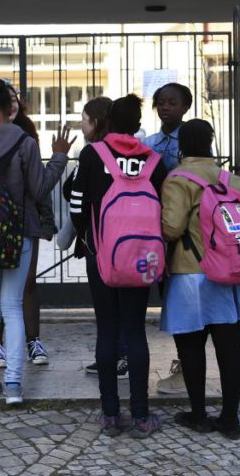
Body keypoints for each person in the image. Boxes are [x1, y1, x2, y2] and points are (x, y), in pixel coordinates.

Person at [0, 79, 74, 404]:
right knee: (12, 307)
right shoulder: (25, 142)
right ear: (10, 110)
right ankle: (15, 386)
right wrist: (59, 157)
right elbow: (39, 189)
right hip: (18, 233)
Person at [160, 119, 240, 440]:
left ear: (181, 146)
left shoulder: (177, 179)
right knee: (230, 347)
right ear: (211, 142)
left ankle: (199, 414)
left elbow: (172, 228)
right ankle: (230, 419)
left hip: (192, 274)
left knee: (191, 348)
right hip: (230, 273)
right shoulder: (231, 178)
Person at [70, 94, 167, 437]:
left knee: (107, 331)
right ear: (138, 126)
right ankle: (141, 415)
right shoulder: (154, 160)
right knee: (135, 331)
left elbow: (78, 205)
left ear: (107, 123)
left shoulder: (93, 155)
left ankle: (110, 414)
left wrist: (88, 236)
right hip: (142, 259)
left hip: (102, 258)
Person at [60, 96, 131, 380]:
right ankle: (115, 356)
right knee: (123, 303)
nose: (81, 123)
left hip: (100, 240)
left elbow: (73, 195)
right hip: (129, 240)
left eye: (85, 118)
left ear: (97, 122)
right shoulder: (133, 151)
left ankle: (117, 356)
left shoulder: (93, 153)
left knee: (107, 306)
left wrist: (84, 233)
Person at [143, 82, 193, 395]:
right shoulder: (148, 142)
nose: (165, 107)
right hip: (152, 228)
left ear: (185, 106)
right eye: (161, 102)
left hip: (185, 232)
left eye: (172, 102)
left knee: (184, 297)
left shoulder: (192, 139)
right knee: (167, 296)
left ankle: (188, 361)